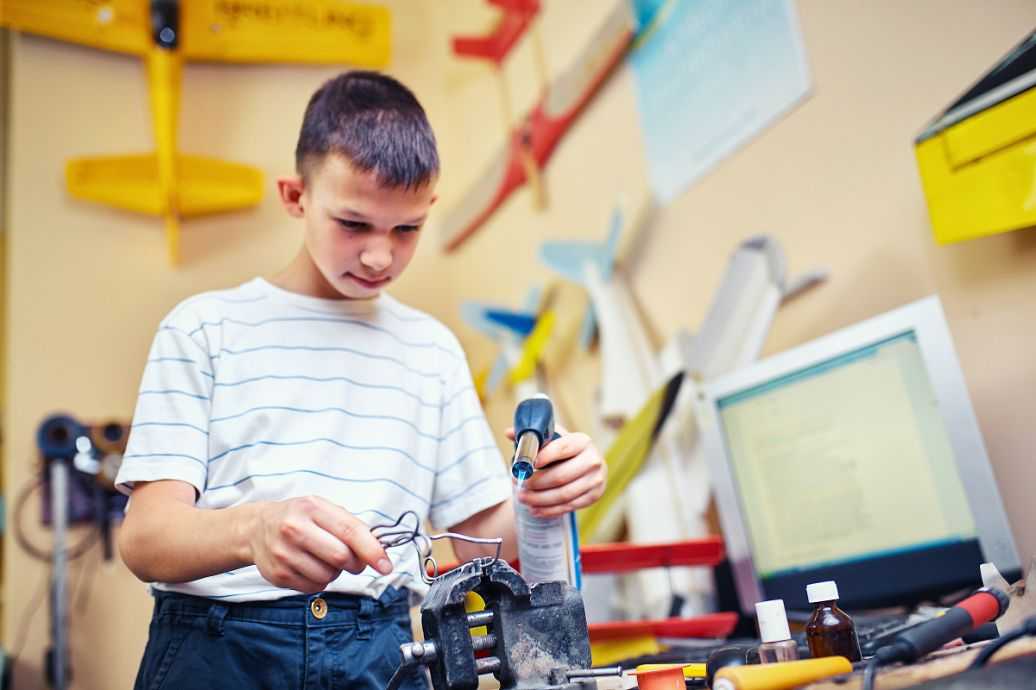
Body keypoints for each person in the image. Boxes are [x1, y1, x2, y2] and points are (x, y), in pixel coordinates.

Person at [115, 70, 607, 690]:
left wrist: (547, 490)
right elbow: (146, 538)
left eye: (406, 229)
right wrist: (251, 530)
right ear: (295, 196)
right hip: (217, 652)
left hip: (384, 652)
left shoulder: (431, 351)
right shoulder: (203, 329)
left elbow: (484, 546)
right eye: (353, 224)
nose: (380, 256)